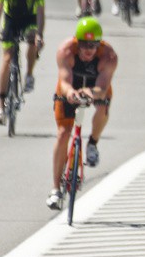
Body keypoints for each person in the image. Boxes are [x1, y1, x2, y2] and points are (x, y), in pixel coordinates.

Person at [46, 17, 118, 210]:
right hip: (72, 84)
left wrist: (92, 93)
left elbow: (103, 88)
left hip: (95, 86)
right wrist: (70, 93)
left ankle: (93, 143)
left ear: (99, 44)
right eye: (84, 45)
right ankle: (55, 188)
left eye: (93, 45)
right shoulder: (66, 51)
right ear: (77, 42)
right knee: (63, 133)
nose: (88, 50)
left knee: (103, 106)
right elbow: (64, 81)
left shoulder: (108, 56)